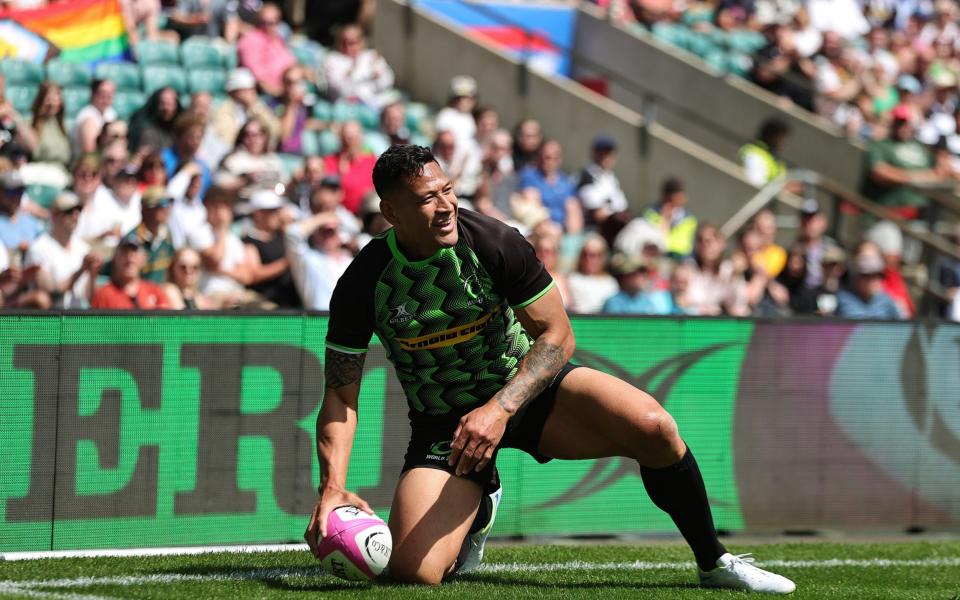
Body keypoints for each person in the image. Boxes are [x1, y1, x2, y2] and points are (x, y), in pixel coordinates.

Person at [303, 145, 796, 594]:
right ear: (391, 212)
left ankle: (715, 562)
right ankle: (480, 503)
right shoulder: (363, 281)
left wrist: (500, 408)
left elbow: (557, 338)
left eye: (448, 190)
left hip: (529, 390)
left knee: (654, 427)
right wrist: (332, 489)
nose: (446, 205)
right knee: (415, 572)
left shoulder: (494, 241)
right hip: (446, 426)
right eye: (427, 199)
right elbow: (341, 396)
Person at [23, 192, 101, 309]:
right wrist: (81, 270)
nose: (75, 216)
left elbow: (89, 297)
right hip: (50, 318)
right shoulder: (39, 248)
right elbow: (52, 293)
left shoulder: (83, 248)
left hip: (79, 315)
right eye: (69, 212)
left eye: (78, 211)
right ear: (54, 216)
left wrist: (93, 275)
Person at [242, 188, 301, 307]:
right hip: (267, 306)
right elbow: (254, 274)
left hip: (292, 304)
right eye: (272, 211)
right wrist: (287, 262)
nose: (277, 215)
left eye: (278, 210)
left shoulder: (282, 235)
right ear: (257, 214)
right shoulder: (249, 241)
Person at [284, 210, 353, 310]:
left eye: (331, 232)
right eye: (322, 231)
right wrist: (322, 218)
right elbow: (292, 234)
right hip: (317, 320)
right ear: (314, 234)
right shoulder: (307, 259)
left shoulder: (350, 261)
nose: (327, 236)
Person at [322, 23, 395, 109]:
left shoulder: (371, 56)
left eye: (351, 42)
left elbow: (387, 82)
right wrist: (351, 72)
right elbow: (339, 90)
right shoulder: (332, 60)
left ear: (360, 42)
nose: (347, 46)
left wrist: (377, 77)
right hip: (345, 106)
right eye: (343, 42)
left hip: (374, 103)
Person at [518, 140, 583, 234]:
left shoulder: (566, 182)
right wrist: (549, 228)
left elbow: (573, 209)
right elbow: (533, 205)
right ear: (539, 157)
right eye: (547, 157)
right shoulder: (529, 176)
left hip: (562, 229)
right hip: (539, 228)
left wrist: (573, 237)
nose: (550, 161)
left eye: (555, 157)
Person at [91, 234, 171, 309]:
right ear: (115, 258)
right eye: (124, 253)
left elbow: (166, 320)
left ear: (143, 259)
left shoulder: (155, 291)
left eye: (134, 253)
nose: (130, 259)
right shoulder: (103, 295)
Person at [237, 2, 297, 98]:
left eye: (275, 21)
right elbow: (259, 78)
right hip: (270, 96)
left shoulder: (278, 40)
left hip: (289, 89)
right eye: (264, 22)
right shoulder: (251, 40)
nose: (270, 26)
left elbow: (291, 63)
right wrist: (280, 93)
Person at [576, 135, 630, 234]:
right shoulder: (586, 176)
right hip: (593, 231)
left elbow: (623, 207)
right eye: (603, 153)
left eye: (610, 153)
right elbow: (598, 214)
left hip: (615, 229)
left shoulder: (612, 179)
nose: (606, 157)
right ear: (594, 153)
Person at [835, 242, 904, 319]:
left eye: (877, 275)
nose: (872, 280)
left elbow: (904, 328)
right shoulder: (841, 300)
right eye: (866, 275)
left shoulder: (887, 301)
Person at [322, 120, 376, 214]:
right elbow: (326, 196)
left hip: (367, 213)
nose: (349, 142)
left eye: (353, 138)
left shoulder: (371, 161)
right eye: (346, 138)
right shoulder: (329, 162)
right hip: (339, 213)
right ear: (341, 139)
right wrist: (340, 173)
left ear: (360, 138)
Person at [642, 177, 698, 259]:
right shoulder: (650, 213)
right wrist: (665, 219)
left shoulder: (689, 220)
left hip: (680, 259)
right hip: (655, 256)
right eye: (670, 200)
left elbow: (686, 246)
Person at [602, 253, 675, 315]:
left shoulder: (647, 301)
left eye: (643, 273)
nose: (641, 277)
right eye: (636, 273)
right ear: (624, 277)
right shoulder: (613, 303)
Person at [221, 118, 285, 186]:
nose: (252, 140)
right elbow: (221, 187)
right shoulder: (233, 160)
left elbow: (284, 186)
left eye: (256, 135)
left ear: (265, 137)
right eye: (247, 135)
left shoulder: (273, 160)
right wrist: (245, 180)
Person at [566, 233, 618, 314]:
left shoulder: (611, 284)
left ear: (603, 257)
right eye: (585, 254)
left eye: (594, 255)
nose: (589, 259)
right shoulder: (571, 280)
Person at [738, 118, 793, 188]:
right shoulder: (753, 153)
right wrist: (783, 189)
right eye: (782, 137)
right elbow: (755, 183)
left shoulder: (775, 159)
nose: (784, 142)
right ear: (772, 135)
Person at [129, 87, 182, 156]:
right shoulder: (144, 128)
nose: (166, 108)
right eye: (163, 104)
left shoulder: (180, 127)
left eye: (170, 104)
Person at [71, 79, 117, 158]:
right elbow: (90, 154)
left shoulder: (111, 113)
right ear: (93, 94)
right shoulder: (87, 117)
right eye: (103, 93)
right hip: (84, 164)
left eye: (110, 93)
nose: (106, 97)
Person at [29, 81, 71, 166]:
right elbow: (34, 151)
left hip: (61, 169)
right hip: (39, 168)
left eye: (56, 98)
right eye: (48, 98)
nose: (53, 103)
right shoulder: (31, 123)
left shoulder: (63, 126)